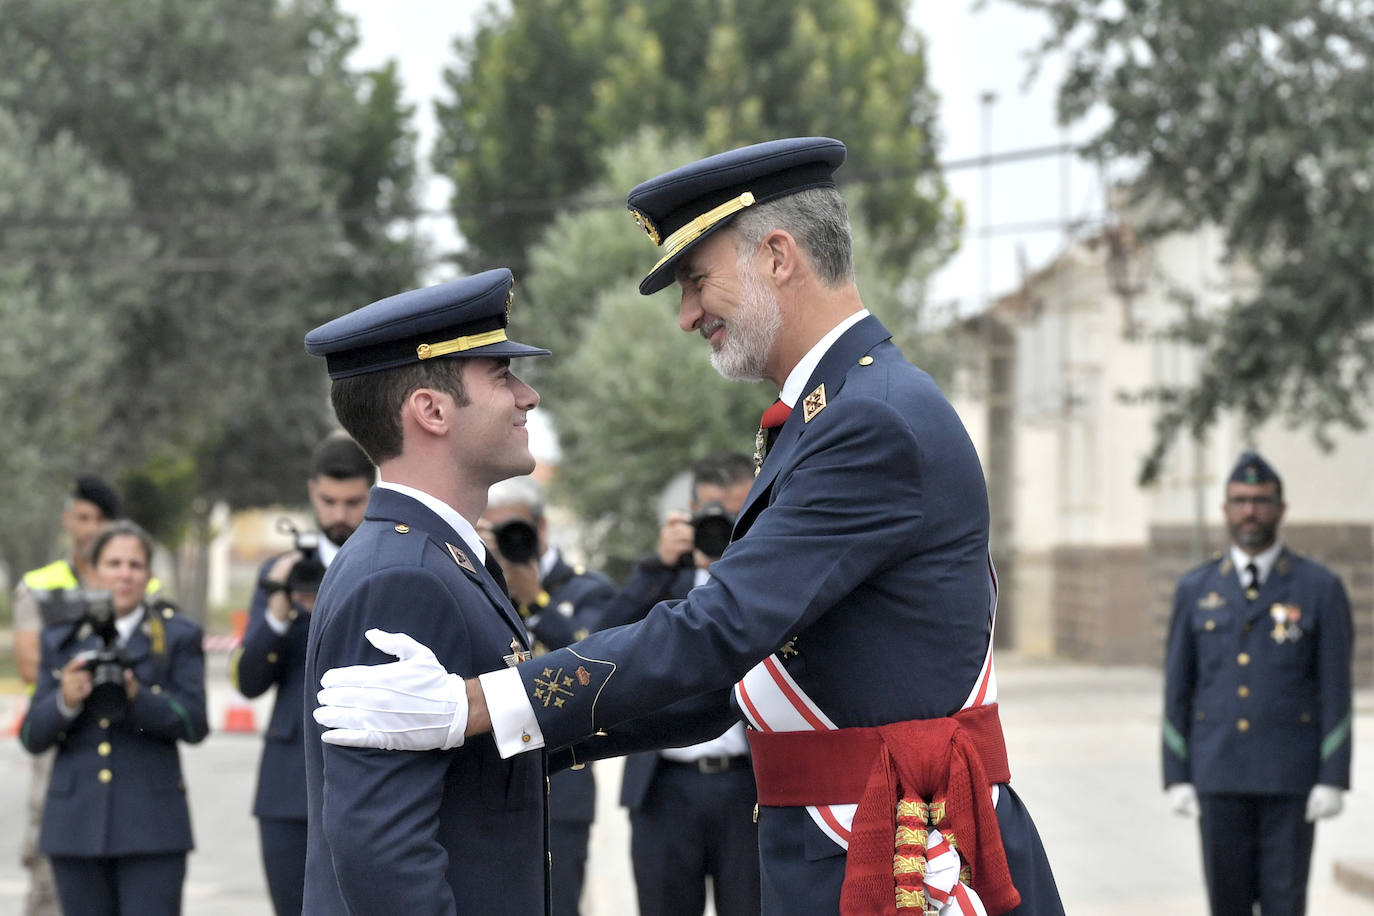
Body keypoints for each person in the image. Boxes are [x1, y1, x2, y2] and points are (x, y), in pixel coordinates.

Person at [314, 137, 1064, 915]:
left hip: (896, 854)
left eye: (698, 280)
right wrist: (506, 736)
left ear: (778, 256)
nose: (687, 316)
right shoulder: (833, 414)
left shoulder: (869, 423)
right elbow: (734, 684)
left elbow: (719, 627)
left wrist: (480, 705)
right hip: (843, 843)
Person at [299, 268, 553, 914]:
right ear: (431, 410)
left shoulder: (442, 558)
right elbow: (381, 854)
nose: (527, 397)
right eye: (501, 375)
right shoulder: (404, 578)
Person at [1162, 451, 1352, 916]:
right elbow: (1178, 687)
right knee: (1226, 904)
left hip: (1290, 777)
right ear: (1225, 510)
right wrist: (1176, 772)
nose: (1250, 510)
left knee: (1286, 903)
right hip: (1218, 773)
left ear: (1281, 509)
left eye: (1261, 500)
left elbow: (1335, 687)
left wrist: (1332, 777)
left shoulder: (1318, 588)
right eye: (1240, 500)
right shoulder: (1196, 589)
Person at [598, 451, 761, 916]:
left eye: (737, 514)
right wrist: (657, 566)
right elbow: (599, 645)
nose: (724, 526)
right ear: (690, 513)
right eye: (714, 514)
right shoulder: (662, 581)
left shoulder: (767, 581)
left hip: (749, 786)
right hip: (663, 788)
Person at [19, 520, 209, 916]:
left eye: (135, 565)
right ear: (93, 571)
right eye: (114, 563)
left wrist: (138, 695)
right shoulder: (62, 638)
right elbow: (32, 735)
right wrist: (64, 701)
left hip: (152, 829)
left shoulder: (177, 636)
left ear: (149, 575)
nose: (124, 574)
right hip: (75, 826)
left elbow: (194, 724)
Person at [229, 432, 374, 915]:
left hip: (370, 777)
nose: (339, 515)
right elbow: (249, 682)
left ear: (371, 494)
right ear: (312, 493)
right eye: (329, 501)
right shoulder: (280, 572)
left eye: (353, 502)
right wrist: (279, 607)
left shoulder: (386, 563)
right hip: (289, 787)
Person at [481, 474, 615, 916]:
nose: (505, 540)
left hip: (563, 786)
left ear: (540, 529)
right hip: (486, 781)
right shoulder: (477, 586)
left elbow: (597, 663)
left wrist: (534, 600)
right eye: (492, 530)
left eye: (513, 529)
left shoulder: (586, 588)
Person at [11, 474, 122, 916]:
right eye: (82, 518)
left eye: (99, 520)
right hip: (59, 735)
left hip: (122, 732)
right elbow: (28, 666)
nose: (90, 529)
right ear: (67, 520)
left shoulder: (133, 579)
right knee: (49, 859)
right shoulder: (40, 584)